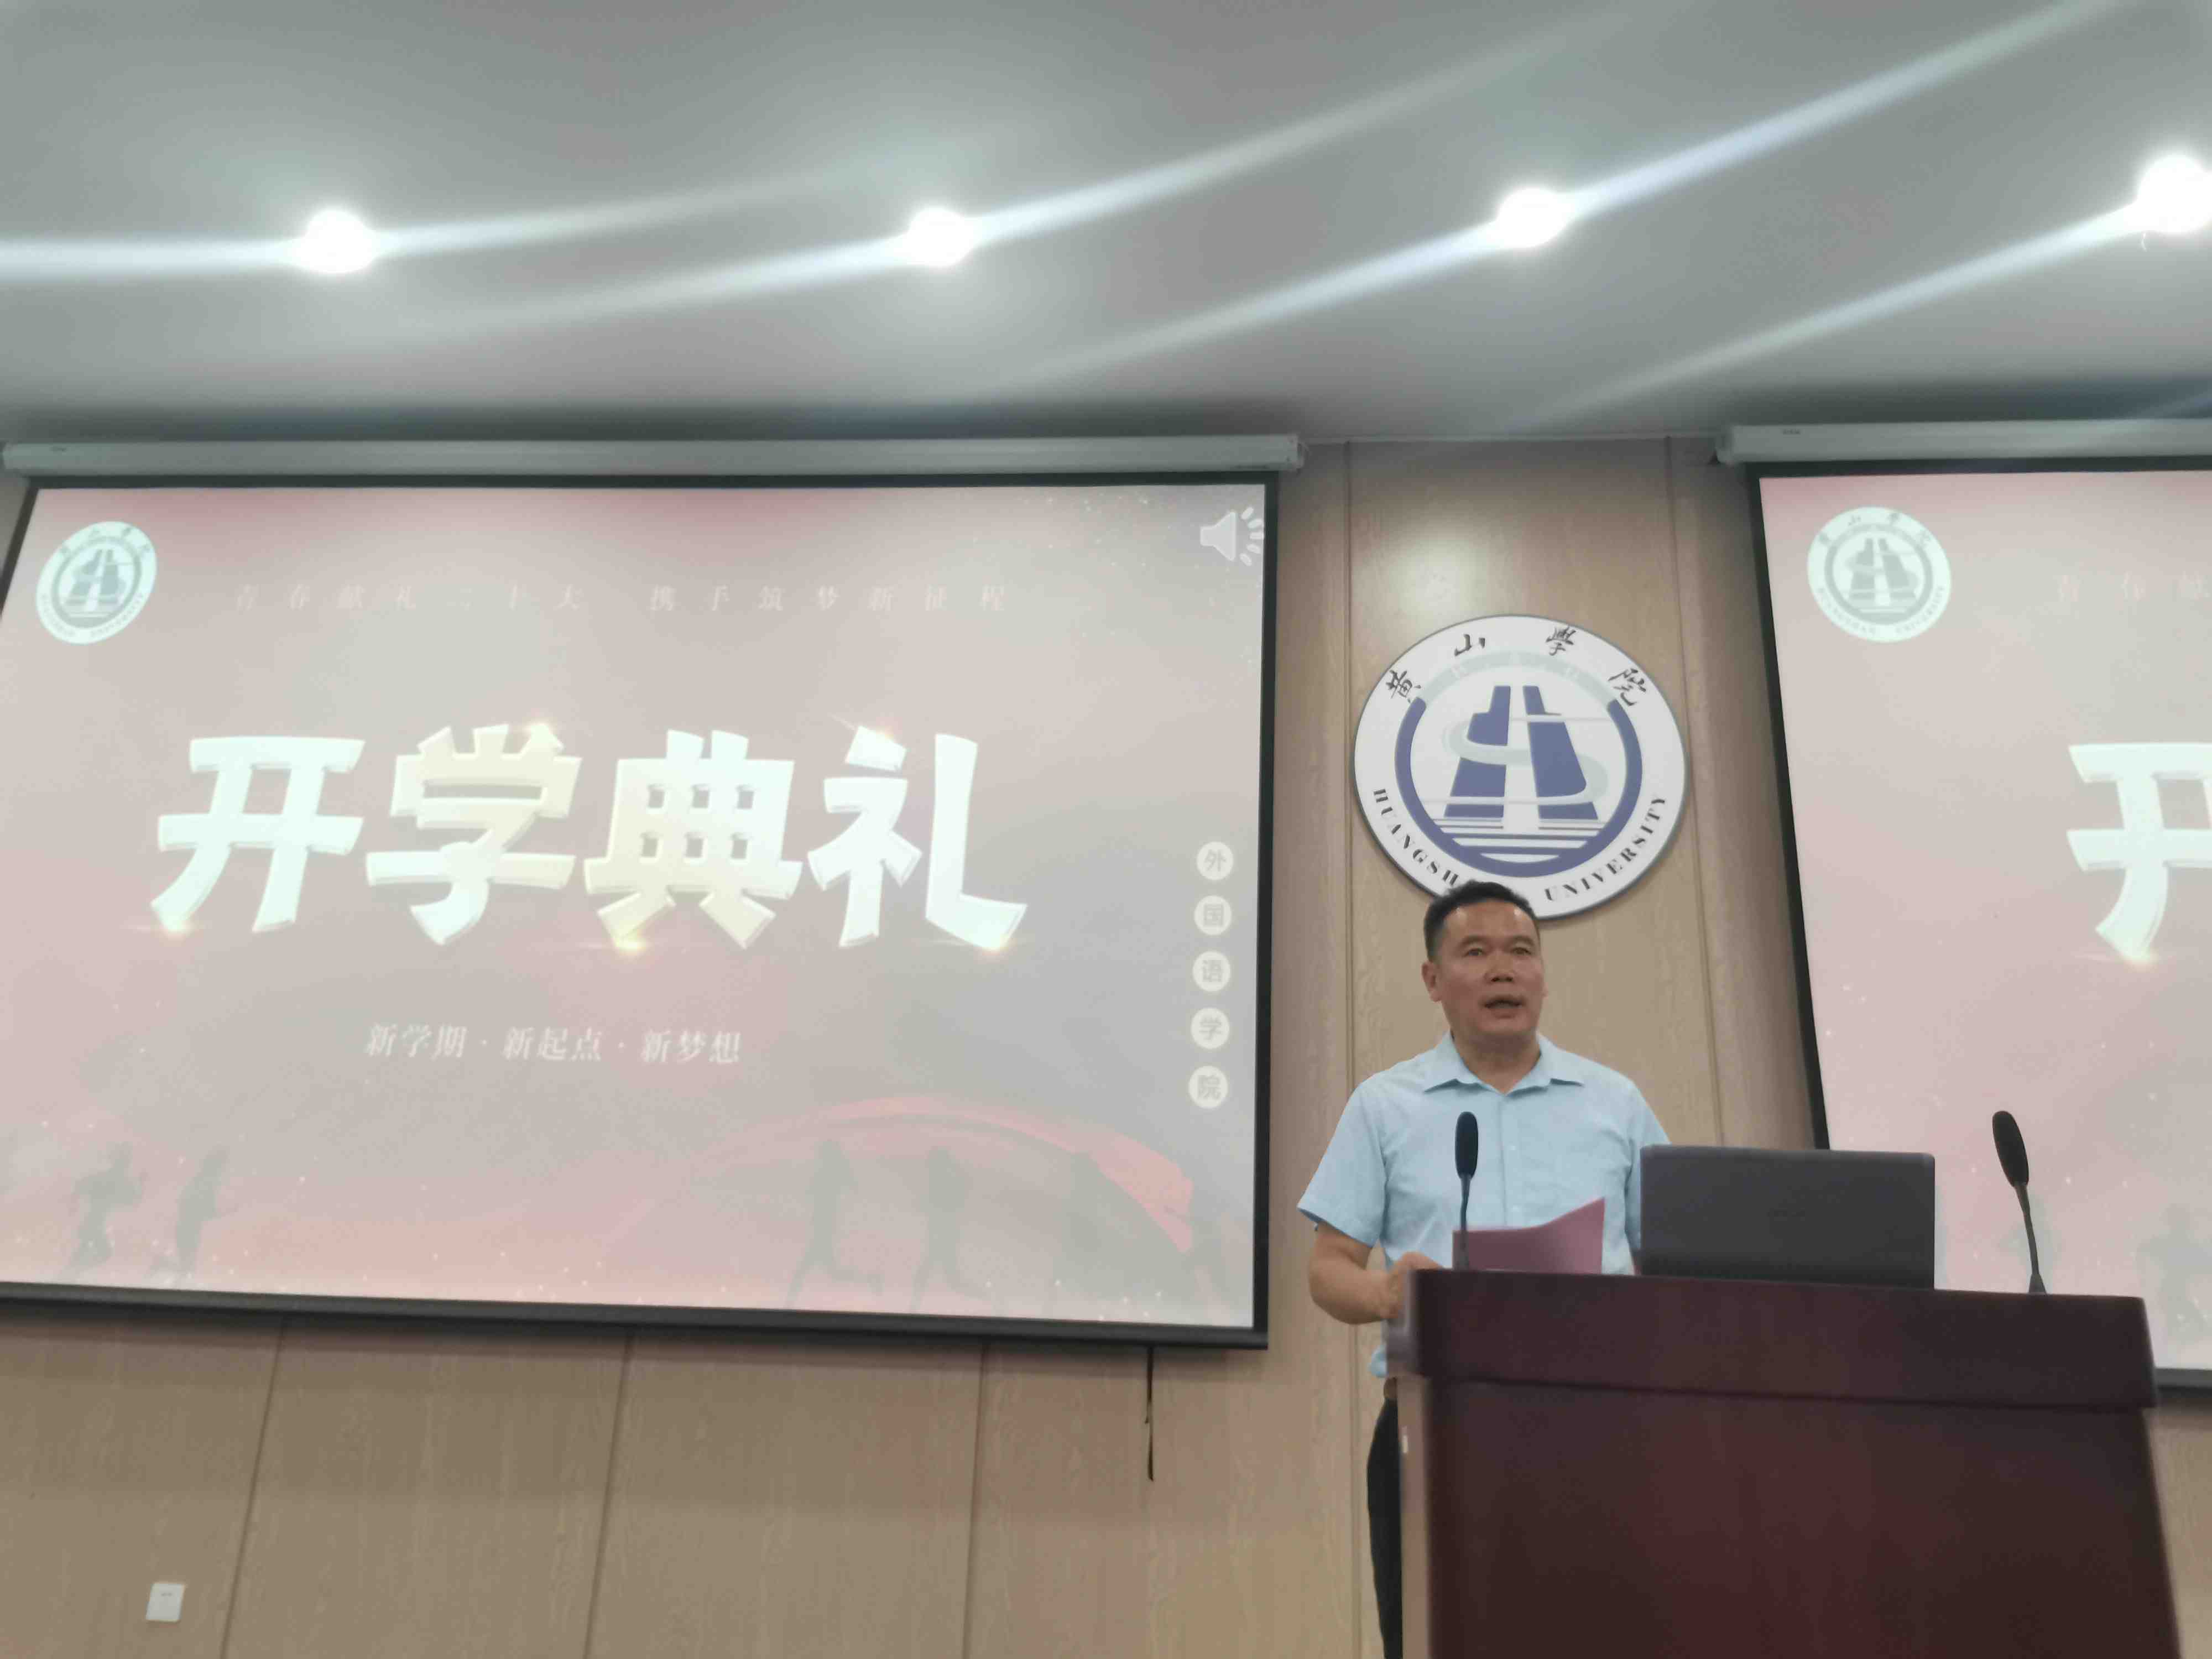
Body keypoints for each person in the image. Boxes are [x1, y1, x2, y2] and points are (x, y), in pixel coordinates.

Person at [1298, 880, 1669, 1659]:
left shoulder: (1615, 1103)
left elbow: (1675, 1263)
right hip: (1432, 1423)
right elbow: (1328, 1269)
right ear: (1433, 980)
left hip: (1597, 1426)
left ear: (1543, 976)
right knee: (1434, 1637)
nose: (1504, 969)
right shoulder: (1385, 1105)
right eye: (1475, 952)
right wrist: (1386, 1292)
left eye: (1521, 951)